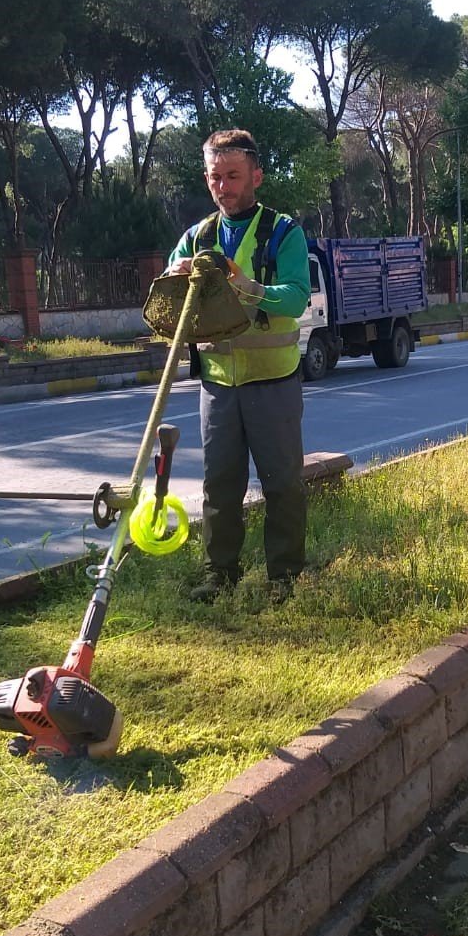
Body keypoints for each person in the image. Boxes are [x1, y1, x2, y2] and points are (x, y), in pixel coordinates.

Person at [165, 128, 310, 603]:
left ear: (256, 176)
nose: (223, 186)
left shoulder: (283, 232)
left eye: (233, 176)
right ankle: (218, 575)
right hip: (218, 385)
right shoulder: (196, 237)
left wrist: (247, 285)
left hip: (273, 380)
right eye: (214, 177)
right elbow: (167, 291)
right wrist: (175, 276)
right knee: (219, 486)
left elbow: (295, 298)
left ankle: (284, 577)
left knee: (283, 484)